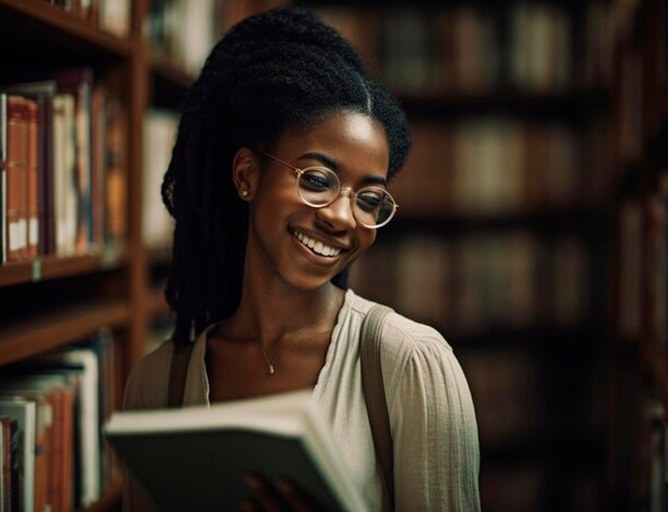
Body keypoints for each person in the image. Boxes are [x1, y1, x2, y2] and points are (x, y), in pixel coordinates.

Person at [122, 7, 480, 511]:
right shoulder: (158, 385)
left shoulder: (410, 363)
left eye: (369, 199)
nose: (342, 217)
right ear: (247, 175)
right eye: (316, 179)